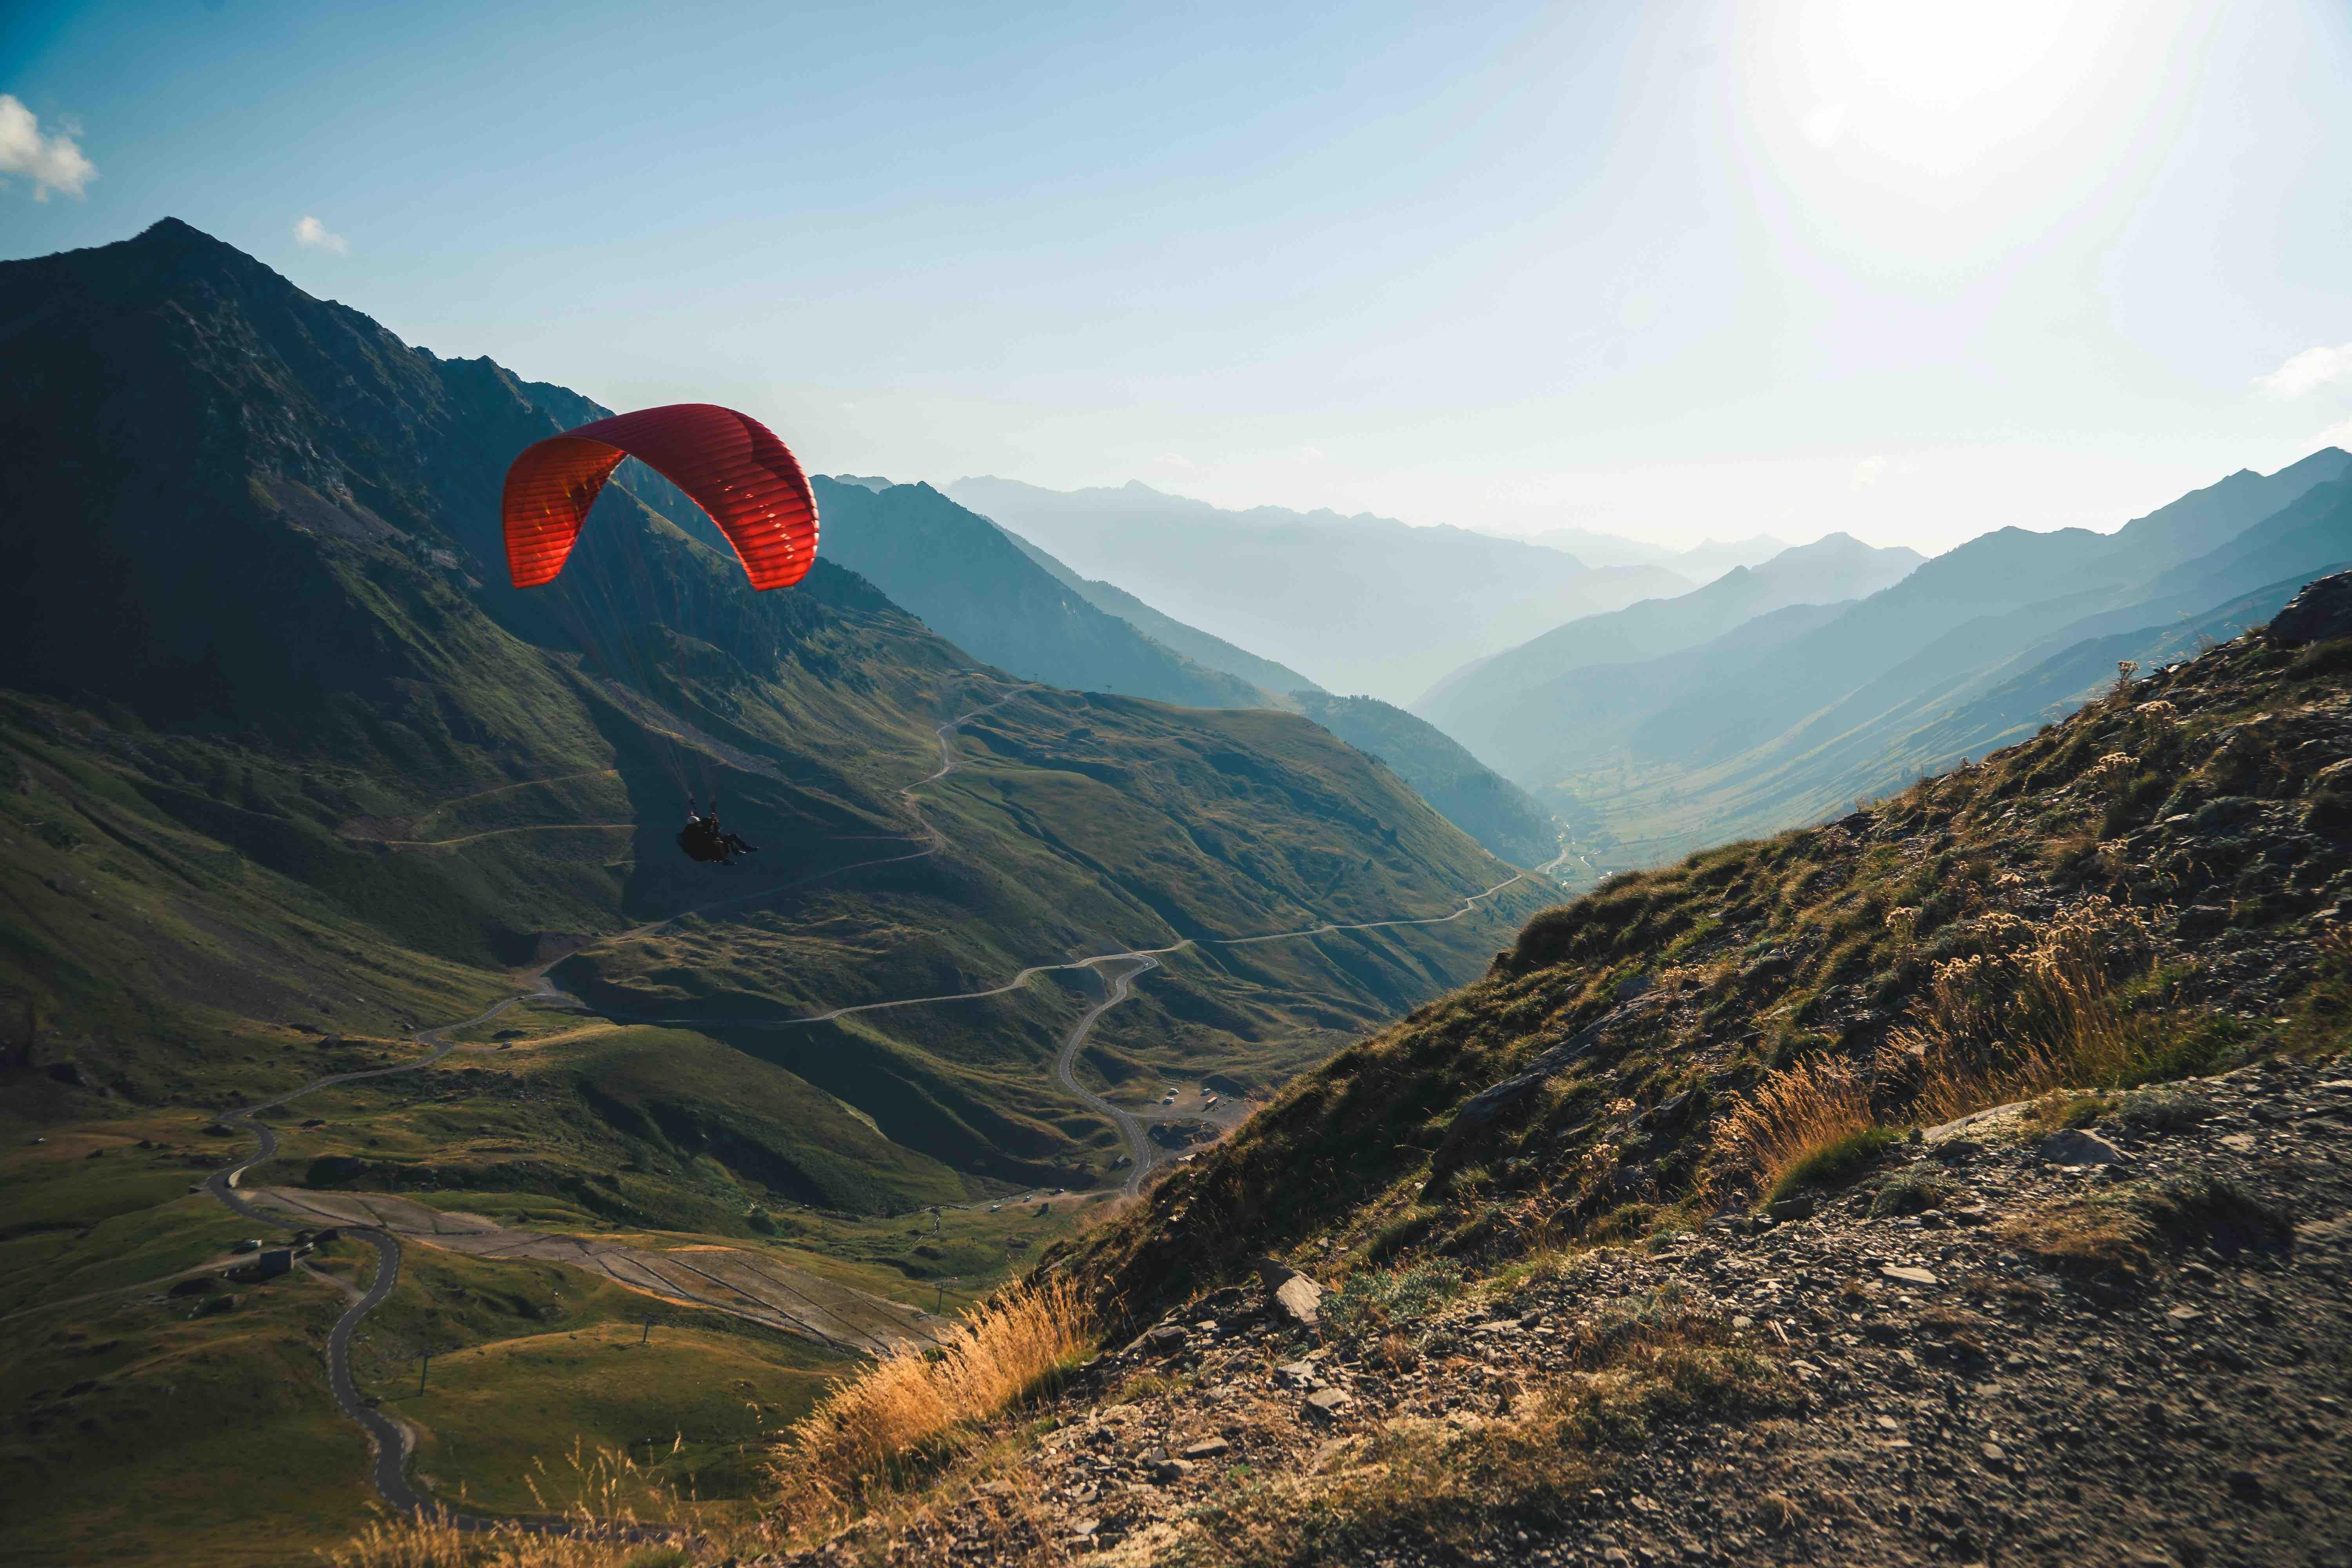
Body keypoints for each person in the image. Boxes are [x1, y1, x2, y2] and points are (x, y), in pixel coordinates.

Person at [678, 797, 758, 865]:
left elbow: (705, 830)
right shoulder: (695, 831)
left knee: (730, 837)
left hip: (705, 846)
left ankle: (741, 850)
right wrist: (714, 825)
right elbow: (709, 836)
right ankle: (725, 860)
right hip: (703, 851)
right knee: (721, 842)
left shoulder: (693, 828)